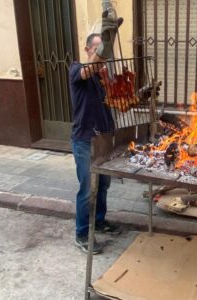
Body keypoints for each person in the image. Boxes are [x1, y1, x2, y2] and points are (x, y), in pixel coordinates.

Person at [68, 9, 122, 254]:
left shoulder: (102, 80)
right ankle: (81, 234)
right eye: (99, 49)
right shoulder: (77, 70)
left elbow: (113, 105)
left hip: (103, 139)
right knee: (87, 189)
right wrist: (107, 41)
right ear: (89, 49)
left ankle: (99, 221)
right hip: (84, 140)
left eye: (105, 50)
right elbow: (89, 68)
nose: (104, 56)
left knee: (103, 185)